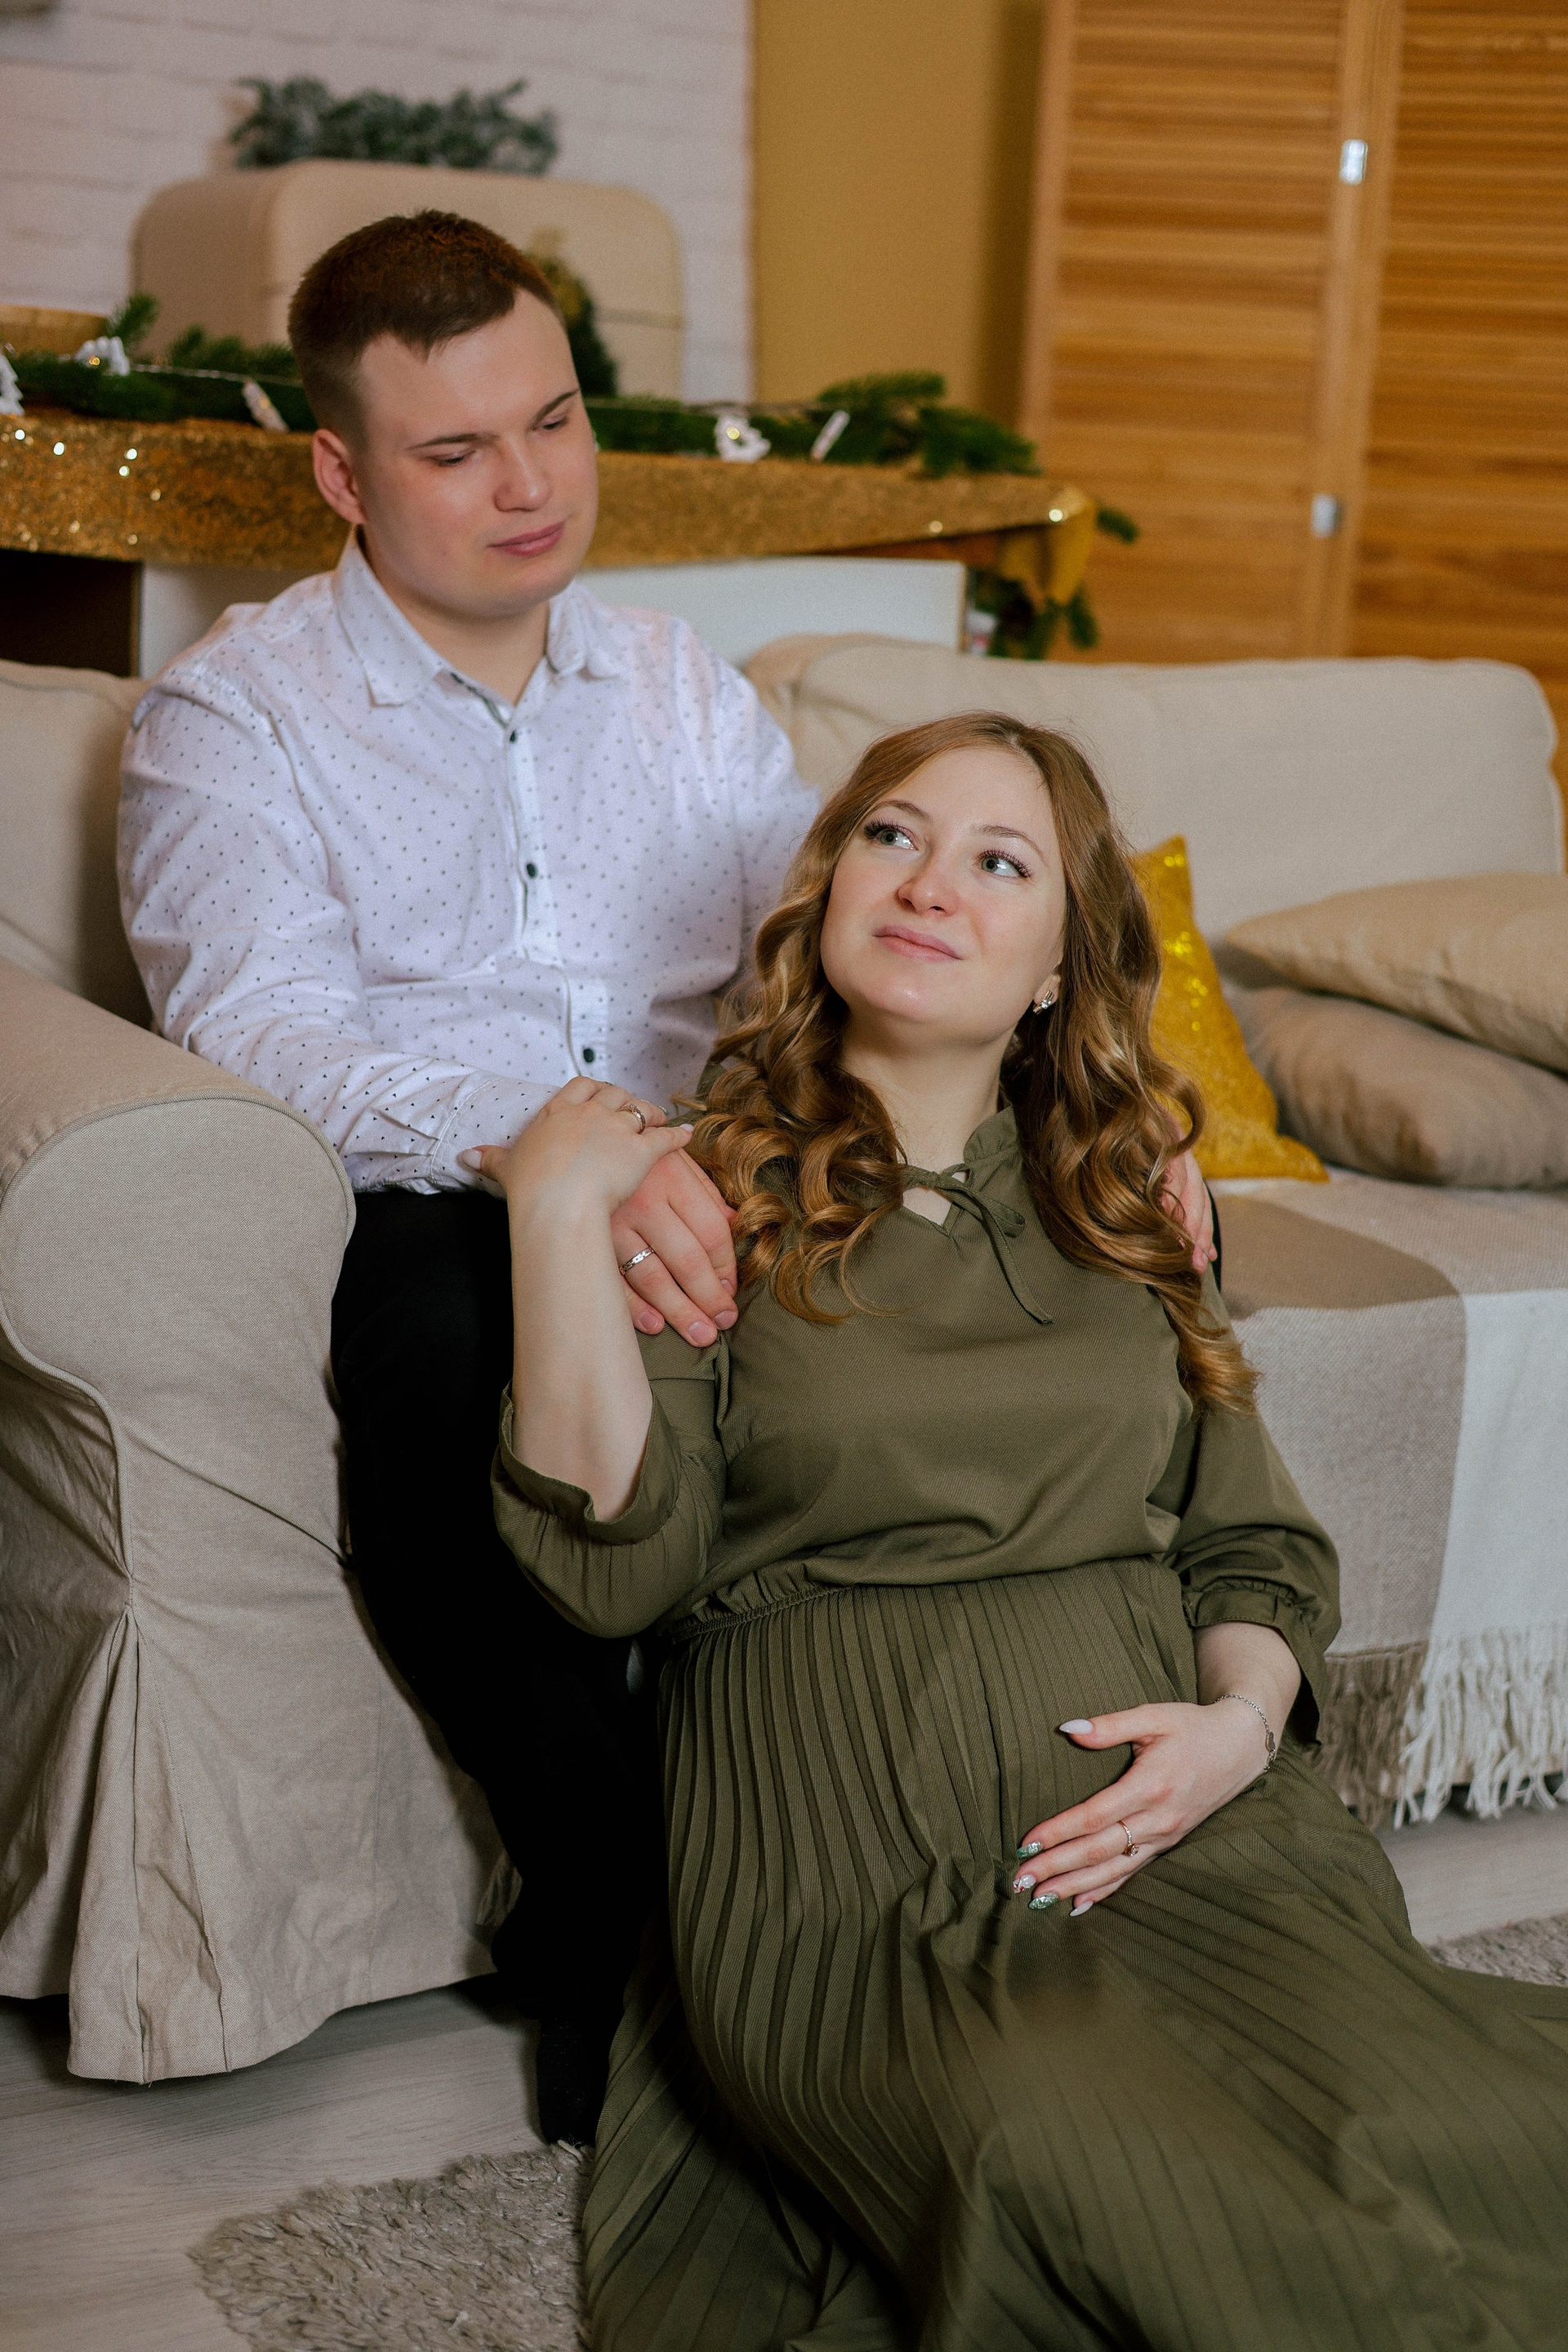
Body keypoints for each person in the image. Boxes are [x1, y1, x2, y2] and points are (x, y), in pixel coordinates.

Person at [480, 712, 1568, 2350]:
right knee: (1086, 2166)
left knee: (1445, 2128)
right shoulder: (704, 1192)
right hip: (848, 1861)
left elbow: (1253, 1542)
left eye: (1000, 863)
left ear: (1061, 965)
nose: (930, 885)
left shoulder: (1126, 1202)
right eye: (894, 836)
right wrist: (554, 1216)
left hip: (1171, 1819)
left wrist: (1236, 1733)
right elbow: (613, 1571)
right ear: (830, 886)